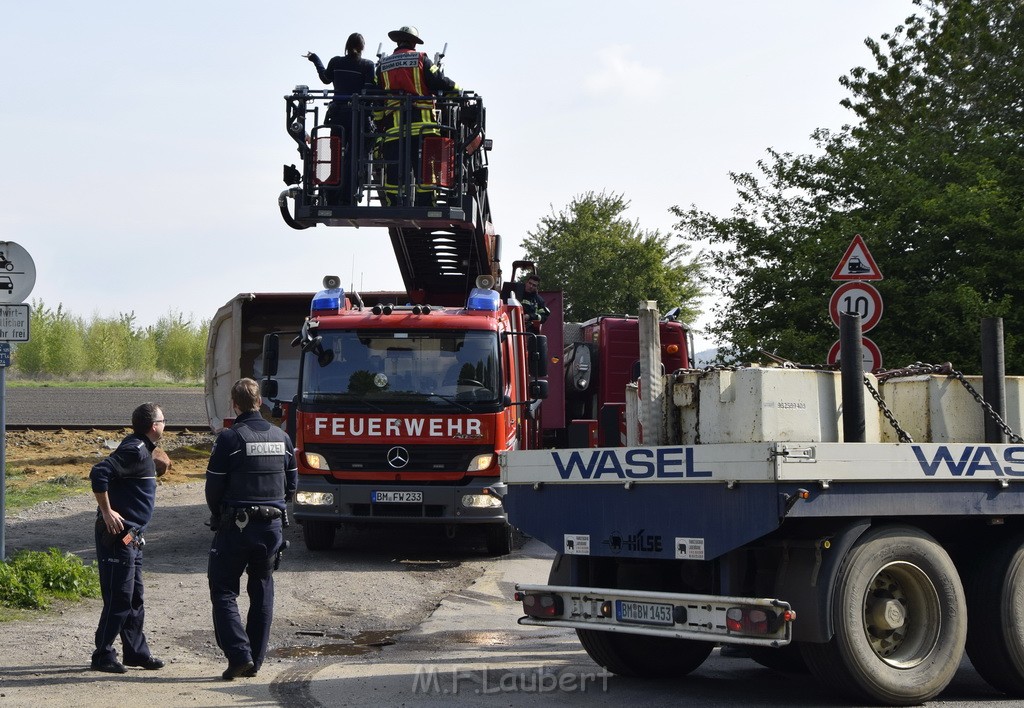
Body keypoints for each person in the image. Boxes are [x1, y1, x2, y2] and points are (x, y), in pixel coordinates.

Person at [206, 378, 297, 680]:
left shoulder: (230, 439)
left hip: (237, 526)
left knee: (223, 590)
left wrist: (218, 514)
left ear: (234, 403)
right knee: (262, 590)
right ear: (260, 402)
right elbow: (291, 485)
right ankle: (255, 662)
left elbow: (213, 487)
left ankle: (239, 656)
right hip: (271, 528)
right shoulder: (282, 437)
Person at [89, 402, 171, 674]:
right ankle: (103, 654)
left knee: (134, 597)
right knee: (119, 597)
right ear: (154, 426)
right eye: (163, 420)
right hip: (118, 535)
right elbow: (99, 472)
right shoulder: (134, 449)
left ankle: (136, 653)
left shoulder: (143, 448)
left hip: (133, 539)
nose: (165, 423)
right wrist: (107, 511)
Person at [375, 25, 460, 206]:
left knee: (394, 172)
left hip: (394, 131)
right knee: (426, 171)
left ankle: (394, 204)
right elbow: (440, 82)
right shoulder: (422, 59)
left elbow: (375, 97)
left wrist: (379, 125)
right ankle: (426, 203)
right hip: (423, 128)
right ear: (414, 43)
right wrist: (458, 91)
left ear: (398, 41)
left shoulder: (382, 66)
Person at [305, 33, 376, 205]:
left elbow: (325, 78)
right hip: (357, 116)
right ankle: (348, 197)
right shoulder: (367, 65)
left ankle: (330, 195)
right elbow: (368, 91)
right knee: (353, 157)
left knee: (335, 154)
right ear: (362, 47)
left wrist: (315, 59)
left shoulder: (336, 62)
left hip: (337, 115)